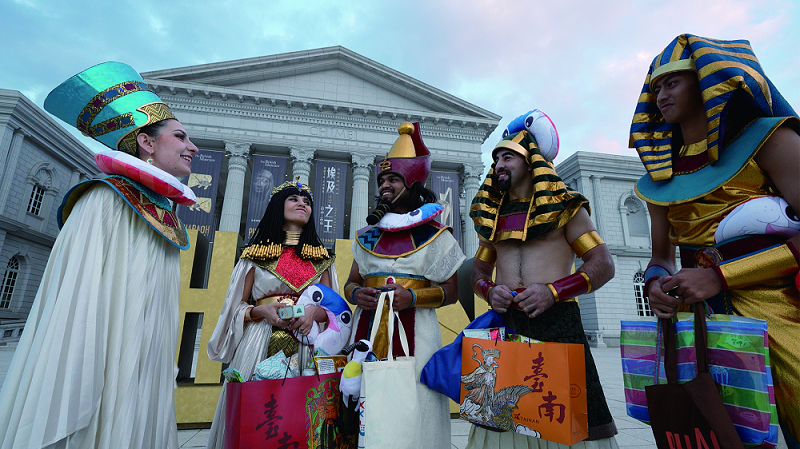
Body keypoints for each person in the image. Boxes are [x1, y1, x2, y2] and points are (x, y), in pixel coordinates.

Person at [0, 62, 199, 448]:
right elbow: (78, 303)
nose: (192, 147)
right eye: (180, 136)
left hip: (146, 368)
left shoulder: (164, 214)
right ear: (147, 143)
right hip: (106, 366)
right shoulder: (105, 198)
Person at [630, 34, 800, 446]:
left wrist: (721, 276)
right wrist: (655, 285)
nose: (660, 96)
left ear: (709, 81)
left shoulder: (770, 139)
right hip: (698, 323)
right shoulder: (659, 175)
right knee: (710, 432)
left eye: (672, 82)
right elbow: (661, 256)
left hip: (779, 308)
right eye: (656, 87)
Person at [467, 128, 618, 448]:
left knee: (570, 420)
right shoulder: (493, 216)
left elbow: (603, 263)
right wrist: (489, 290)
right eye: (496, 159)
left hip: (558, 324)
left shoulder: (567, 207)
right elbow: (478, 270)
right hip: (507, 325)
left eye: (507, 157)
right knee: (502, 419)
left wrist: (553, 291)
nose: (498, 165)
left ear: (531, 162)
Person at [344, 122, 466, 448]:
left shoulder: (437, 235)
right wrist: (358, 294)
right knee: (363, 399)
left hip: (418, 335)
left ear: (412, 184)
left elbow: (452, 291)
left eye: (393, 179)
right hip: (366, 331)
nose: (385, 185)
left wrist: (411, 297)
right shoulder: (366, 236)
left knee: (416, 403)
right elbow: (350, 283)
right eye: (382, 180)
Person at [205, 179, 341, 449]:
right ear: (279, 206)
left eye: (307, 201)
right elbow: (234, 307)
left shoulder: (323, 260)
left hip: (308, 344)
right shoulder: (254, 256)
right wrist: (260, 311)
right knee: (257, 417)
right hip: (261, 340)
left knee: (306, 418)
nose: (302, 204)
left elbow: (334, 310)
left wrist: (314, 312)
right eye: (294, 199)